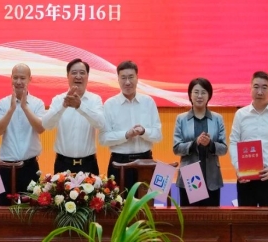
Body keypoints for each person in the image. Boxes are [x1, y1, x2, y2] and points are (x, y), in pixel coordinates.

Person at [229, 71, 268, 207]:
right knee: (246, 219)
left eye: (264, 87)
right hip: (246, 177)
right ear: (250, 88)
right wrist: (238, 167)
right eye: (256, 86)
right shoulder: (240, 114)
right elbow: (233, 142)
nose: (260, 92)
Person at [99, 60, 162, 194]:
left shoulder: (148, 102)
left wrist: (144, 131)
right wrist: (126, 134)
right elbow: (103, 139)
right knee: (119, 204)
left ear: (137, 78)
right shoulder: (110, 104)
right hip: (119, 163)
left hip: (145, 161)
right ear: (118, 79)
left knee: (146, 204)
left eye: (131, 77)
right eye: (123, 78)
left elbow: (158, 135)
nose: (127, 82)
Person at [0, 63, 46, 205]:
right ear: (11, 78)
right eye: (15, 77)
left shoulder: (38, 103)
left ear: (30, 79)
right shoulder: (2, 103)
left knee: (30, 211)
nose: (18, 82)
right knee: (5, 210)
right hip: (6, 167)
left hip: (29, 167)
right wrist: (11, 109)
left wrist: (24, 107)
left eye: (22, 78)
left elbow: (41, 128)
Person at [42, 58, 105, 174]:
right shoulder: (58, 99)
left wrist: (80, 106)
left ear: (87, 76)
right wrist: (63, 105)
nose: (78, 76)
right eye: (74, 73)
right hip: (63, 164)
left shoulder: (95, 99)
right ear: (67, 76)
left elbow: (101, 123)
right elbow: (46, 125)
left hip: (88, 164)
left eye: (82, 73)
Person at [173, 78, 227, 207]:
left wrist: (210, 144)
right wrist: (194, 143)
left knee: (211, 217)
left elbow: (224, 148)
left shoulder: (218, 119)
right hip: (189, 177)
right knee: (190, 217)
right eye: (196, 92)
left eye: (203, 92)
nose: (199, 96)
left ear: (209, 96)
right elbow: (176, 148)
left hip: (211, 178)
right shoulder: (181, 119)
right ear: (190, 95)